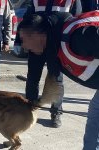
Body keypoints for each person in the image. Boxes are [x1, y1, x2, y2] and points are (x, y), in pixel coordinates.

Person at [18, 10, 99, 150]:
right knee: (95, 117)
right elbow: (39, 78)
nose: (23, 46)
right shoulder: (53, 45)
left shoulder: (77, 37)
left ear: (39, 35)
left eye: (24, 39)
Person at [14, 0, 82, 128]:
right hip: (37, 44)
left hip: (57, 46)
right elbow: (28, 18)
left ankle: (56, 113)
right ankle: (29, 109)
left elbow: (77, 21)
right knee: (33, 78)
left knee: (56, 80)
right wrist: (21, 40)